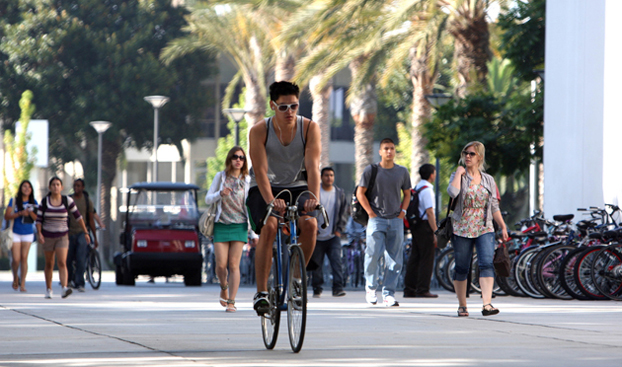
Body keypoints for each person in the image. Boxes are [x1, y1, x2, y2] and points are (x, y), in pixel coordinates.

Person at [247, 81, 321, 316]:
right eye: (283, 107)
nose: (289, 112)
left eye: (294, 106)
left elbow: (313, 166)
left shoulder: (309, 128)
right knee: (269, 227)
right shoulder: (259, 130)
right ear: (272, 106)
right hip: (264, 187)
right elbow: (259, 171)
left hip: (298, 187)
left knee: (310, 224)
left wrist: (313, 197)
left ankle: (297, 281)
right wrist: (271, 201)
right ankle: (261, 292)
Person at [448, 141, 508, 317]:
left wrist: (503, 226)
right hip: (462, 227)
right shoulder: (458, 175)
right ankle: (462, 305)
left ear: (479, 157)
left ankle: (487, 304)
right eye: (465, 153)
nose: (467, 156)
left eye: (471, 154)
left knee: (486, 264)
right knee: (461, 267)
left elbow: (494, 205)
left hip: (484, 227)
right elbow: (452, 193)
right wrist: (459, 174)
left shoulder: (488, 179)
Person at [356, 138, 411, 307]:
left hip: (395, 219)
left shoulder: (402, 172)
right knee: (373, 255)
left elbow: (407, 193)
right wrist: (371, 213)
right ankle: (371, 289)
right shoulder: (371, 170)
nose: (389, 151)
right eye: (386, 148)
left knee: (395, 260)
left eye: (392, 148)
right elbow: (360, 193)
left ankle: (388, 294)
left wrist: (403, 213)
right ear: (380, 151)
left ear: (395, 151)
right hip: (376, 219)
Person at [205, 146, 258, 312]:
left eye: (241, 158)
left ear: (244, 162)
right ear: (230, 159)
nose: (238, 160)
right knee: (220, 265)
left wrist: (254, 232)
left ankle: (231, 301)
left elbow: (251, 207)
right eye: (235, 157)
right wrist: (220, 194)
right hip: (221, 224)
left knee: (234, 264)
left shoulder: (247, 181)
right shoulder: (220, 177)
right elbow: (207, 199)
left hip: (240, 225)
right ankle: (223, 286)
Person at [36, 177, 91, 299]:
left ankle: (64, 288)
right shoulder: (45, 202)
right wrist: (39, 233)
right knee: (49, 263)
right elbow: (38, 220)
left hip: (62, 236)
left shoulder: (67, 201)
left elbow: (78, 217)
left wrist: (86, 232)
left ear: (61, 187)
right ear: (50, 187)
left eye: (58, 184)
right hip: (48, 236)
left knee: (62, 262)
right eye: (53, 185)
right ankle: (48, 289)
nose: (56, 187)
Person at [310, 167, 349, 298]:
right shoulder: (315, 192)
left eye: (331, 175)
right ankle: (317, 288)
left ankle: (338, 288)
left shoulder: (339, 192)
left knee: (336, 262)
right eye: (326, 175)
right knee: (317, 264)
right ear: (321, 177)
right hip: (318, 235)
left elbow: (344, 212)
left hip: (333, 235)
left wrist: (339, 230)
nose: (329, 178)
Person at [403, 163, 438, 298]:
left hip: (415, 225)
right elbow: (429, 212)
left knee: (415, 257)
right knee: (426, 258)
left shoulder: (417, 187)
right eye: (434, 173)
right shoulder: (428, 190)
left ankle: (409, 288)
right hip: (424, 226)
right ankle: (423, 289)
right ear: (431, 175)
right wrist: (435, 231)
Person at [4, 180, 38, 292]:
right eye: (24, 186)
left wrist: (30, 212)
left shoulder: (34, 202)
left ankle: (22, 283)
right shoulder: (14, 201)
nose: (26, 189)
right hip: (15, 233)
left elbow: (37, 218)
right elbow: (7, 216)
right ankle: (15, 278)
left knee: (24, 258)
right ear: (21, 188)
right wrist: (20, 213)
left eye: (29, 187)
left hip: (28, 233)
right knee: (16, 259)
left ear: (31, 190)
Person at [67, 179, 98, 292]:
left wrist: (94, 236)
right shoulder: (69, 200)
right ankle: (69, 280)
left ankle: (80, 283)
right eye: (75, 185)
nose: (76, 188)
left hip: (82, 233)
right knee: (68, 259)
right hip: (69, 233)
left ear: (83, 187)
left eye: (79, 186)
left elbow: (90, 219)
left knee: (81, 258)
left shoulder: (87, 200)